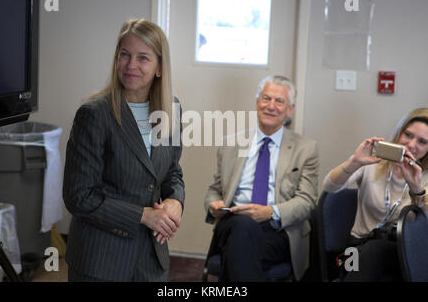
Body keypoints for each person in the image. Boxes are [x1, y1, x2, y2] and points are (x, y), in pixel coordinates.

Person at [63, 19, 185, 282]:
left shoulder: (171, 109)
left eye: (143, 57)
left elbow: (172, 171)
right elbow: (78, 196)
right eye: (125, 55)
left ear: (160, 68)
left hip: (151, 260)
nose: (131, 65)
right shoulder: (94, 114)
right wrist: (143, 216)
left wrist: (176, 201)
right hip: (100, 260)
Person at [204, 75, 319, 281]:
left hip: (277, 228)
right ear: (257, 102)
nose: (271, 106)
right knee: (242, 228)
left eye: (279, 101)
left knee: (239, 251)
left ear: (289, 109)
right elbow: (215, 189)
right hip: (233, 221)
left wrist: (269, 212)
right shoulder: (232, 143)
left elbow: (307, 201)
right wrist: (214, 204)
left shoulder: (305, 149)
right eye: (266, 99)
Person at [322, 107, 428, 282]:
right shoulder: (373, 162)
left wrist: (415, 187)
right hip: (357, 245)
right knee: (353, 263)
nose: (411, 144)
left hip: (402, 251)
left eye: (422, 141)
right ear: (399, 133)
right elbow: (330, 187)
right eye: (408, 135)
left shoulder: (423, 177)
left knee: (375, 251)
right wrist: (353, 162)